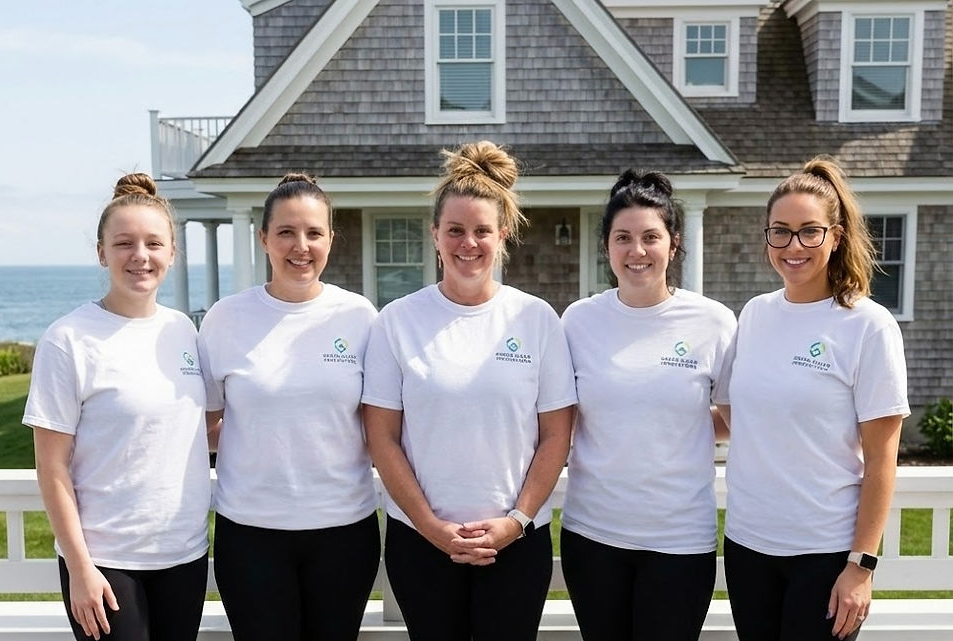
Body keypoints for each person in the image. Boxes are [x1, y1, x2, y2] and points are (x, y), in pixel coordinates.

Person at [362, 140, 577, 641]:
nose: (468, 243)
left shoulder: (537, 319)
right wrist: (431, 527)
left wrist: (517, 520)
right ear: (434, 235)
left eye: (482, 231)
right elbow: (382, 438)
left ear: (502, 235)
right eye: (454, 230)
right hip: (421, 542)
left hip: (516, 540)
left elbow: (555, 436)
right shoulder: (398, 321)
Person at [715, 156, 909, 641]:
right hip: (748, 545)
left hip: (825, 555)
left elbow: (883, 460)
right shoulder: (756, 314)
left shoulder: (867, 326)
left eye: (809, 231)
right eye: (780, 231)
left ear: (835, 236)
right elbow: (740, 418)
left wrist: (861, 566)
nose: (793, 245)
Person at [24, 173, 211, 641]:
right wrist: (81, 569)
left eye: (154, 243)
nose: (140, 256)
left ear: (172, 252)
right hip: (105, 563)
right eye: (124, 243)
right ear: (102, 252)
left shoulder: (183, 332)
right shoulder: (68, 339)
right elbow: (51, 468)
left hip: (183, 555)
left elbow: (193, 430)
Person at [197, 173, 380, 640]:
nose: (301, 246)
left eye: (314, 233)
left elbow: (379, 425)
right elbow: (206, 423)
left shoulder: (360, 317)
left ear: (331, 240)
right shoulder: (226, 318)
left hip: (343, 531)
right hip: (251, 533)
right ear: (263, 239)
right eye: (286, 232)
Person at [559, 170, 736, 641]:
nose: (637, 251)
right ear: (607, 246)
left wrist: (684, 426)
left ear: (674, 244)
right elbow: (561, 420)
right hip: (593, 535)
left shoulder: (712, 322)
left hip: (679, 540)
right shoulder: (578, 321)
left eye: (650, 237)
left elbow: (736, 417)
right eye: (623, 238)